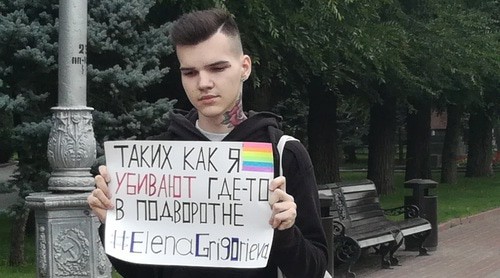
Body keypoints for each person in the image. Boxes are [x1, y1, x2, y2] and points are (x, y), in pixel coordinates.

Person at [87, 8, 328, 278]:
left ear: (244, 67)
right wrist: (113, 225)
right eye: (190, 72)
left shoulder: (283, 154)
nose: (203, 83)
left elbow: (314, 269)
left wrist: (286, 232)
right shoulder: (160, 157)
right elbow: (147, 273)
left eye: (217, 68)